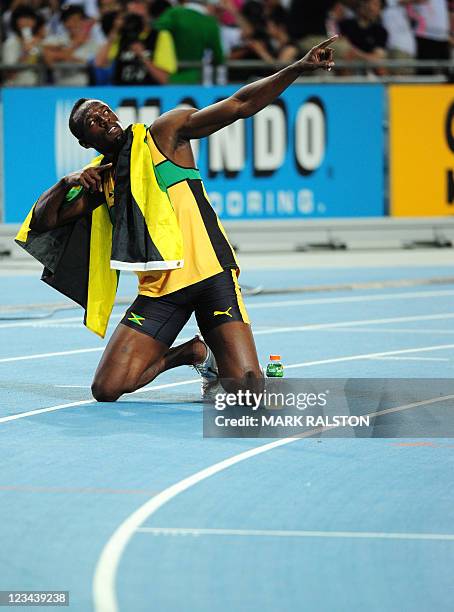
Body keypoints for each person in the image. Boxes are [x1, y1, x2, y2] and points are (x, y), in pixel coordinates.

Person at [17, 36, 337, 403]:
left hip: (209, 274)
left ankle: (217, 360)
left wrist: (298, 67)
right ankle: (192, 353)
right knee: (106, 389)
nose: (103, 117)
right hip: (160, 291)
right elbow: (44, 222)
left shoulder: (163, 135)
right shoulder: (101, 180)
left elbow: (238, 105)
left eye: (104, 110)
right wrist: (66, 181)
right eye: (92, 119)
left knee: (247, 392)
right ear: (84, 141)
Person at [153, 0, 224, 84]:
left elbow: (154, 32)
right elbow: (219, 57)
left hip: (162, 73)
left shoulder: (174, 13)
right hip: (195, 77)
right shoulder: (210, 23)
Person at [42, 4, 98, 85]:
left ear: (84, 22)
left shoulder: (92, 43)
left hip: (85, 89)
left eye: (78, 20)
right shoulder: (55, 39)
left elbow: (92, 65)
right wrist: (76, 44)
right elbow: (48, 60)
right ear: (64, 23)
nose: (74, 24)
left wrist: (59, 55)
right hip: (59, 88)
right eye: (69, 20)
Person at [2, 6, 46, 86]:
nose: (27, 22)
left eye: (30, 18)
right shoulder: (11, 43)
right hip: (15, 88)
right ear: (15, 22)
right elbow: (10, 74)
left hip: (37, 87)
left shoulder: (38, 42)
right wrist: (25, 52)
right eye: (22, 18)